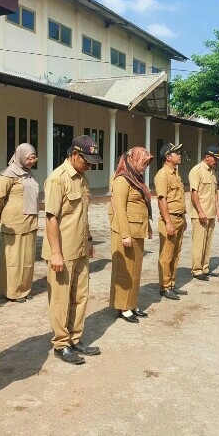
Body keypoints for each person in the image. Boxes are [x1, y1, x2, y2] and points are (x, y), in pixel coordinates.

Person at [42, 135, 102, 365]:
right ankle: (61, 344)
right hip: (62, 251)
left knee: (80, 296)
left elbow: (82, 215)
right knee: (60, 300)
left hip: (79, 248)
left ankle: (76, 339)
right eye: (86, 160)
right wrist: (56, 253)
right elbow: (51, 218)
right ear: (74, 155)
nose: (89, 166)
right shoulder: (58, 179)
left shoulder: (82, 178)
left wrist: (88, 240)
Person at [108, 147, 153, 323]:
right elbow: (119, 209)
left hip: (138, 231)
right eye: (143, 162)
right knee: (124, 271)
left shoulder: (136, 179)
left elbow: (142, 205)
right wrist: (125, 235)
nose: (145, 166)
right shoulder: (122, 180)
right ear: (132, 160)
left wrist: (147, 226)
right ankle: (123, 307)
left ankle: (132, 303)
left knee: (135, 271)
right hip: (125, 233)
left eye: (147, 163)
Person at [0, 143, 39, 303]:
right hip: (14, 223)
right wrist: (2, 213)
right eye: (29, 158)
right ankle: (12, 292)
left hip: (30, 221)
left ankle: (24, 289)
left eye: (34, 158)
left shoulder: (29, 174)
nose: (32, 161)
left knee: (27, 259)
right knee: (13, 259)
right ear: (20, 156)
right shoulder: (8, 174)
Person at [155, 143, 188, 300]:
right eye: (176, 153)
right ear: (168, 157)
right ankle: (165, 286)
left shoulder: (176, 174)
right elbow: (162, 200)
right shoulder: (162, 175)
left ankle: (172, 284)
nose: (179, 155)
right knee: (166, 255)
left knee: (176, 253)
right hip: (170, 219)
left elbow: (179, 198)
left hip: (179, 217)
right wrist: (168, 222)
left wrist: (184, 217)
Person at [188, 145, 219, 281]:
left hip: (210, 212)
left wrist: (218, 210)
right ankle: (196, 270)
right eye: (215, 158)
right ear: (207, 157)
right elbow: (194, 193)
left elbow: (214, 192)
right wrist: (200, 211)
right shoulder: (196, 171)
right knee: (199, 242)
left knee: (208, 242)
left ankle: (205, 268)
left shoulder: (211, 171)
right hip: (200, 213)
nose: (216, 161)